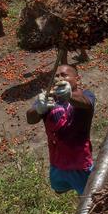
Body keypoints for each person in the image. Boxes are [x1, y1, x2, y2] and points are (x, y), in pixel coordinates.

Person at [26, 65, 96, 195]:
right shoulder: (48, 98)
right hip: (57, 164)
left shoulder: (85, 95)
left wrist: (69, 96)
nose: (59, 78)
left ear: (77, 78)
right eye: (56, 76)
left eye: (64, 75)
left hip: (80, 164)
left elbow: (85, 103)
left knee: (90, 198)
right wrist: (39, 109)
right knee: (59, 189)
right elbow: (30, 119)